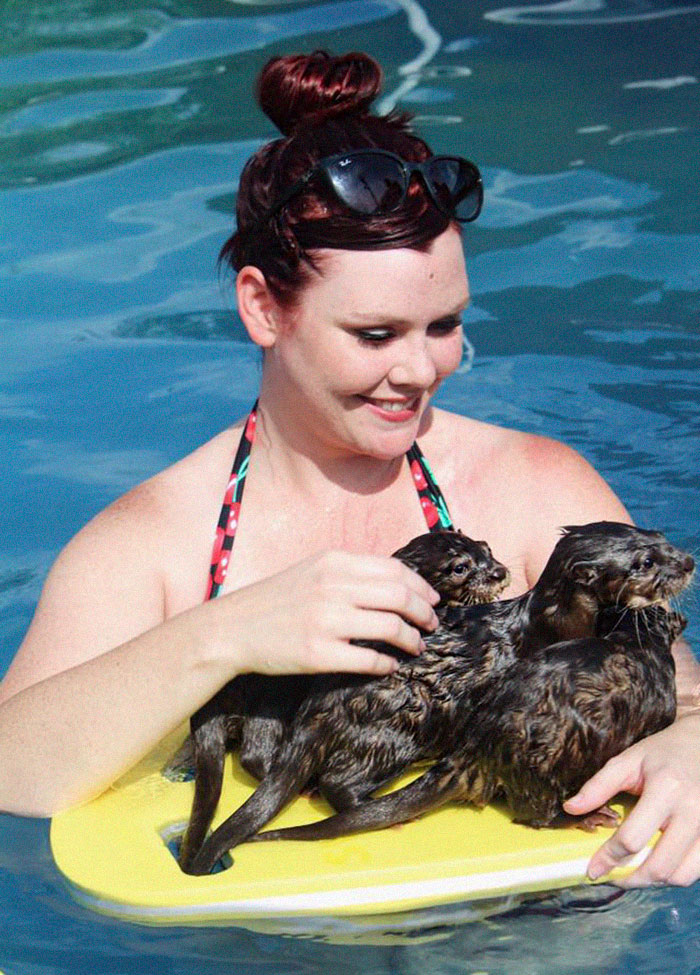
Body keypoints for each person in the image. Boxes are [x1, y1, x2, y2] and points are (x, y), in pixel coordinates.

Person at [1, 50, 699, 888]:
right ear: (263, 307)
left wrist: (692, 746)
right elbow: (14, 775)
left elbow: (679, 696)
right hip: (252, 934)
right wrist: (224, 633)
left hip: (529, 917)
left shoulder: (534, 488)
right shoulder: (151, 546)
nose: (422, 368)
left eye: (443, 324)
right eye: (375, 335)